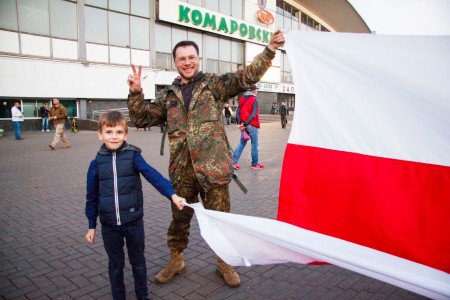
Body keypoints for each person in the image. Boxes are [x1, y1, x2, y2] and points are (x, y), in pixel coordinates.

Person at [127, 29, 285, 288]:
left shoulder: (214, 85)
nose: (187, 62)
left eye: (191, 57)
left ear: (198, 59)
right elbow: (141, 118)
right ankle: (176, 260)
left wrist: (269, 50)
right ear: (175, 62)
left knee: (221, 220)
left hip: (214, 171)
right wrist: (136, 93)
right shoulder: (168, 96)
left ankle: (224, 263)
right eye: (181, 58)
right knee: (179, 221)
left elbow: (248, 76)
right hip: (182, 173)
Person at [84, 111, 185, 300]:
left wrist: (172, 194)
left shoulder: (133, 156)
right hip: (109, 225)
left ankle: (142, 296)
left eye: (119, 132)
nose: (114, 136)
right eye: (109, 132)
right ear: (100, 134)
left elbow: (152, 175)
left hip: (133, 222)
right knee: (115, 266)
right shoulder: (96, 163)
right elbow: (91, 196)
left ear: (126, 135)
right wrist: (92, 225)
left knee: (138, 263)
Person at [232, 85, 264, 170]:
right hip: (252, 125)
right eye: (256, 90)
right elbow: (253, 114)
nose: (257, 91)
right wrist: (245, 124)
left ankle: (233, 162)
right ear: (253, 91)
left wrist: (240, 124)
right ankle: (254, 164)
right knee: (254, 145)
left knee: (242, 143)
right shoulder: (255, 100)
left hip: (243, 124)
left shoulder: (242, 99)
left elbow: (238, 111)